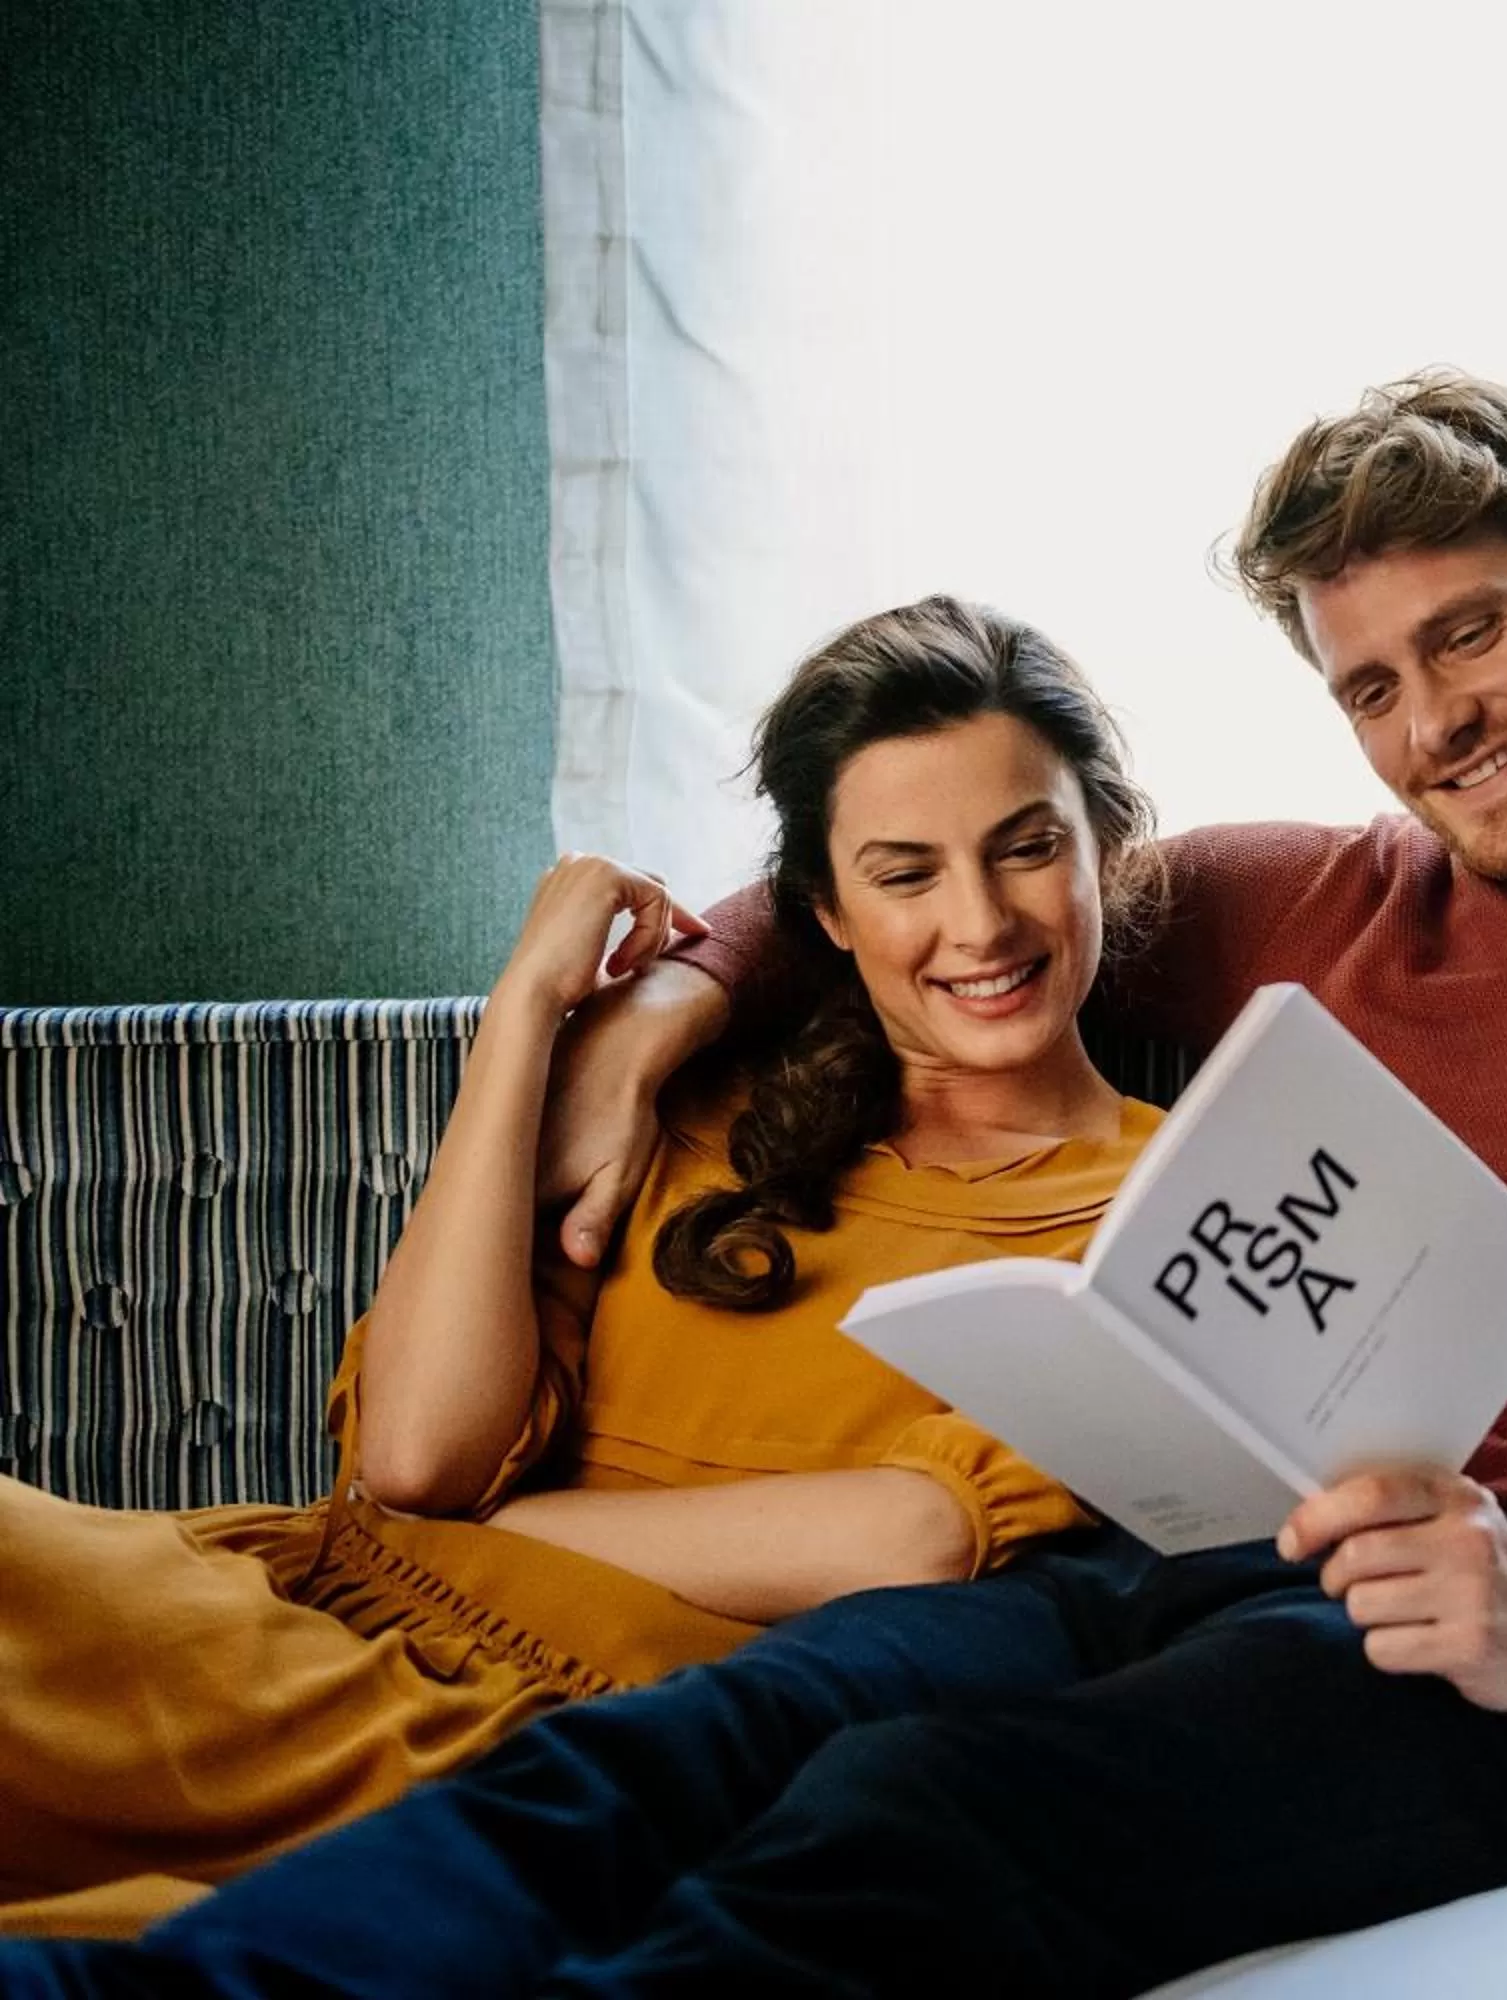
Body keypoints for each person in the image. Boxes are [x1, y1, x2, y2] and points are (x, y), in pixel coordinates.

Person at [0, 370, 1507, 1997]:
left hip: (1471, 1637)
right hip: (1168, 1556)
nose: (1434, 725)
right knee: (691, 1746)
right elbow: (909, 874)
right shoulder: (1317, 896)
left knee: (912, 1818)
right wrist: (654, 1015)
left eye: (1471, 638)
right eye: (1368, 686)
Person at [0, 598, 1162, 1941]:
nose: (981, 923)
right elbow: (416, 1458)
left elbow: (915, 1539)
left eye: (1027, 848)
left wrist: (495, 1532)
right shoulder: (678, 1106)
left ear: (1104, 846)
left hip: (558, 1746)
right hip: (277, 1631)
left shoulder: (1164, 1208)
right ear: (828, 914)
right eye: (905, 875)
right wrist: (527, 1019)